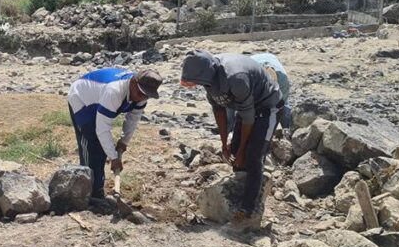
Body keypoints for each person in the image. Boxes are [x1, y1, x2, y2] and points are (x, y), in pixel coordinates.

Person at [179, 50, 283, 225]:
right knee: (234, 154)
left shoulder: (236, 78)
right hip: (245, 107)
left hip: (267, 107)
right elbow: (219, 110)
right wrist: (224, 145)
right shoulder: (209, 80)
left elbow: (249, 118)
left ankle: (248, 210)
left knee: (253, 156)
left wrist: (243, 151)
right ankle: (236, 197)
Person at [67, 68, 163, 199]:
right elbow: (102, 128)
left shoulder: (141, 94)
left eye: (147, 96)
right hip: (82, 98)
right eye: (141, 94)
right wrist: (113, 158)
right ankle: (90, 192)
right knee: (92, 144)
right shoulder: (114, 91)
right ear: (134, 83)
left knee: (102, 146)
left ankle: (97, 189)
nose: (142, 98)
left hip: (100, 97)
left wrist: (124, 142)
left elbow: (132, 119)